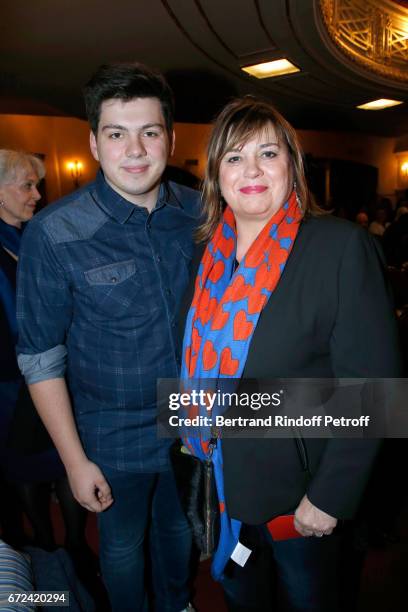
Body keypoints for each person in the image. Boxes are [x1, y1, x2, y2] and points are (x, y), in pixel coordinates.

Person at [179, 97, 402, 611]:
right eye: (233, 158)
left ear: (292, 167)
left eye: (267, 153)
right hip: (221, 480)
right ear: (216, 176)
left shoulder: (339, 247)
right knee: (241, 597)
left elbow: (373, 391)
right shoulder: (205, 255)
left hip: (299, 495)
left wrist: (328, 497)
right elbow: (196, 365)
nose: (251, 170)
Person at [16, 63, 199, 612]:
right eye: (117, 134)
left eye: (150, 131)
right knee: (121, 549)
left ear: (171, 137)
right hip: (110, 433)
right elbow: (40, 357)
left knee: (180, 534)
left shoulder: (201, 212)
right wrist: (74, 461)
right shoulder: (54, 232)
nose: (136, 149)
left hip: (192, 420)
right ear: (94, 143)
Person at [0, 150, 90, 566]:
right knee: (24, 466)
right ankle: (43, 546)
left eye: (37, 184)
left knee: (62, 459)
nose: (37, 194)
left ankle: (73, 546)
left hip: (54, 370)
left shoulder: (41, 234)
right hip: (7, 380)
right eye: (27, 185)